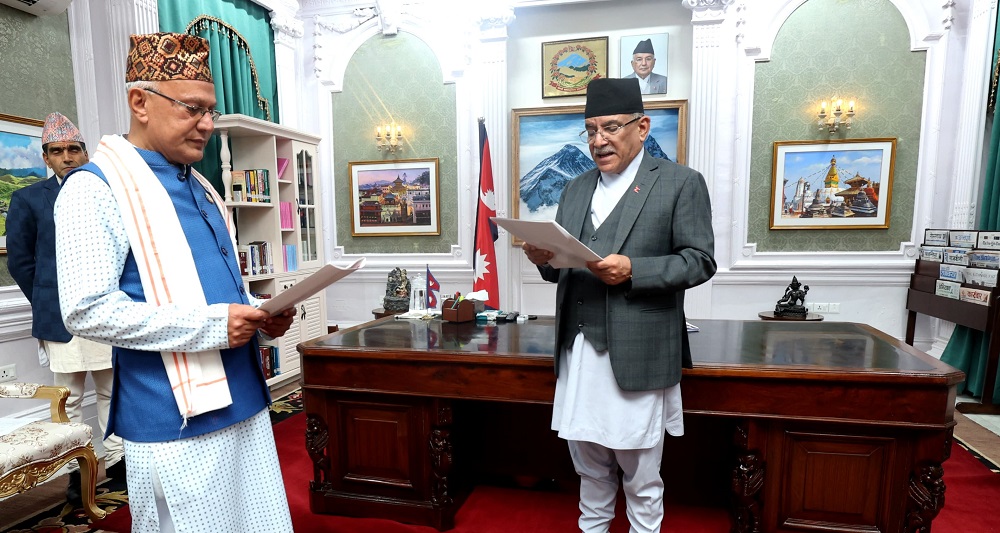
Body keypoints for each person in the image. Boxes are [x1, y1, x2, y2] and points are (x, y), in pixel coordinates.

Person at [53, 32, 296, 532]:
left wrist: (258, 310)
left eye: (210, 109)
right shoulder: (93, 190)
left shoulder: (202, 185)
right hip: (173, 415)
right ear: (140, 102)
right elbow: (85, 309)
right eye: (192, 108)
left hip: (244, 396)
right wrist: (213, 326)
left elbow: (215, 288)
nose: (207, 124)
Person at [522, 77, 716, 533]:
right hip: (579, 354)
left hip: (639, 353)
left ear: (642, 126)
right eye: (590, 130)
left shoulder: (680, 184)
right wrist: (543, 259)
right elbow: (562, 269)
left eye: (610, 127)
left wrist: (634, 270)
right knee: (588, 470)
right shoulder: (574, 189)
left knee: (641, 479)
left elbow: (700, 261)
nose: (598, 140)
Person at [6, 112, 126, 505]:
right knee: (69, 397)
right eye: (57, 151)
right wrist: (47, 297)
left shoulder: (105, 191)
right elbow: (21, 260)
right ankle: (78, 472)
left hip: (107, 311)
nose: (67, 156)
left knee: (113, 389)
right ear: (46, 158)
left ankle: (122, 464)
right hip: (59, 318)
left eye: (74, 148)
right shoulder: (28, 198)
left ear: (85, 152)